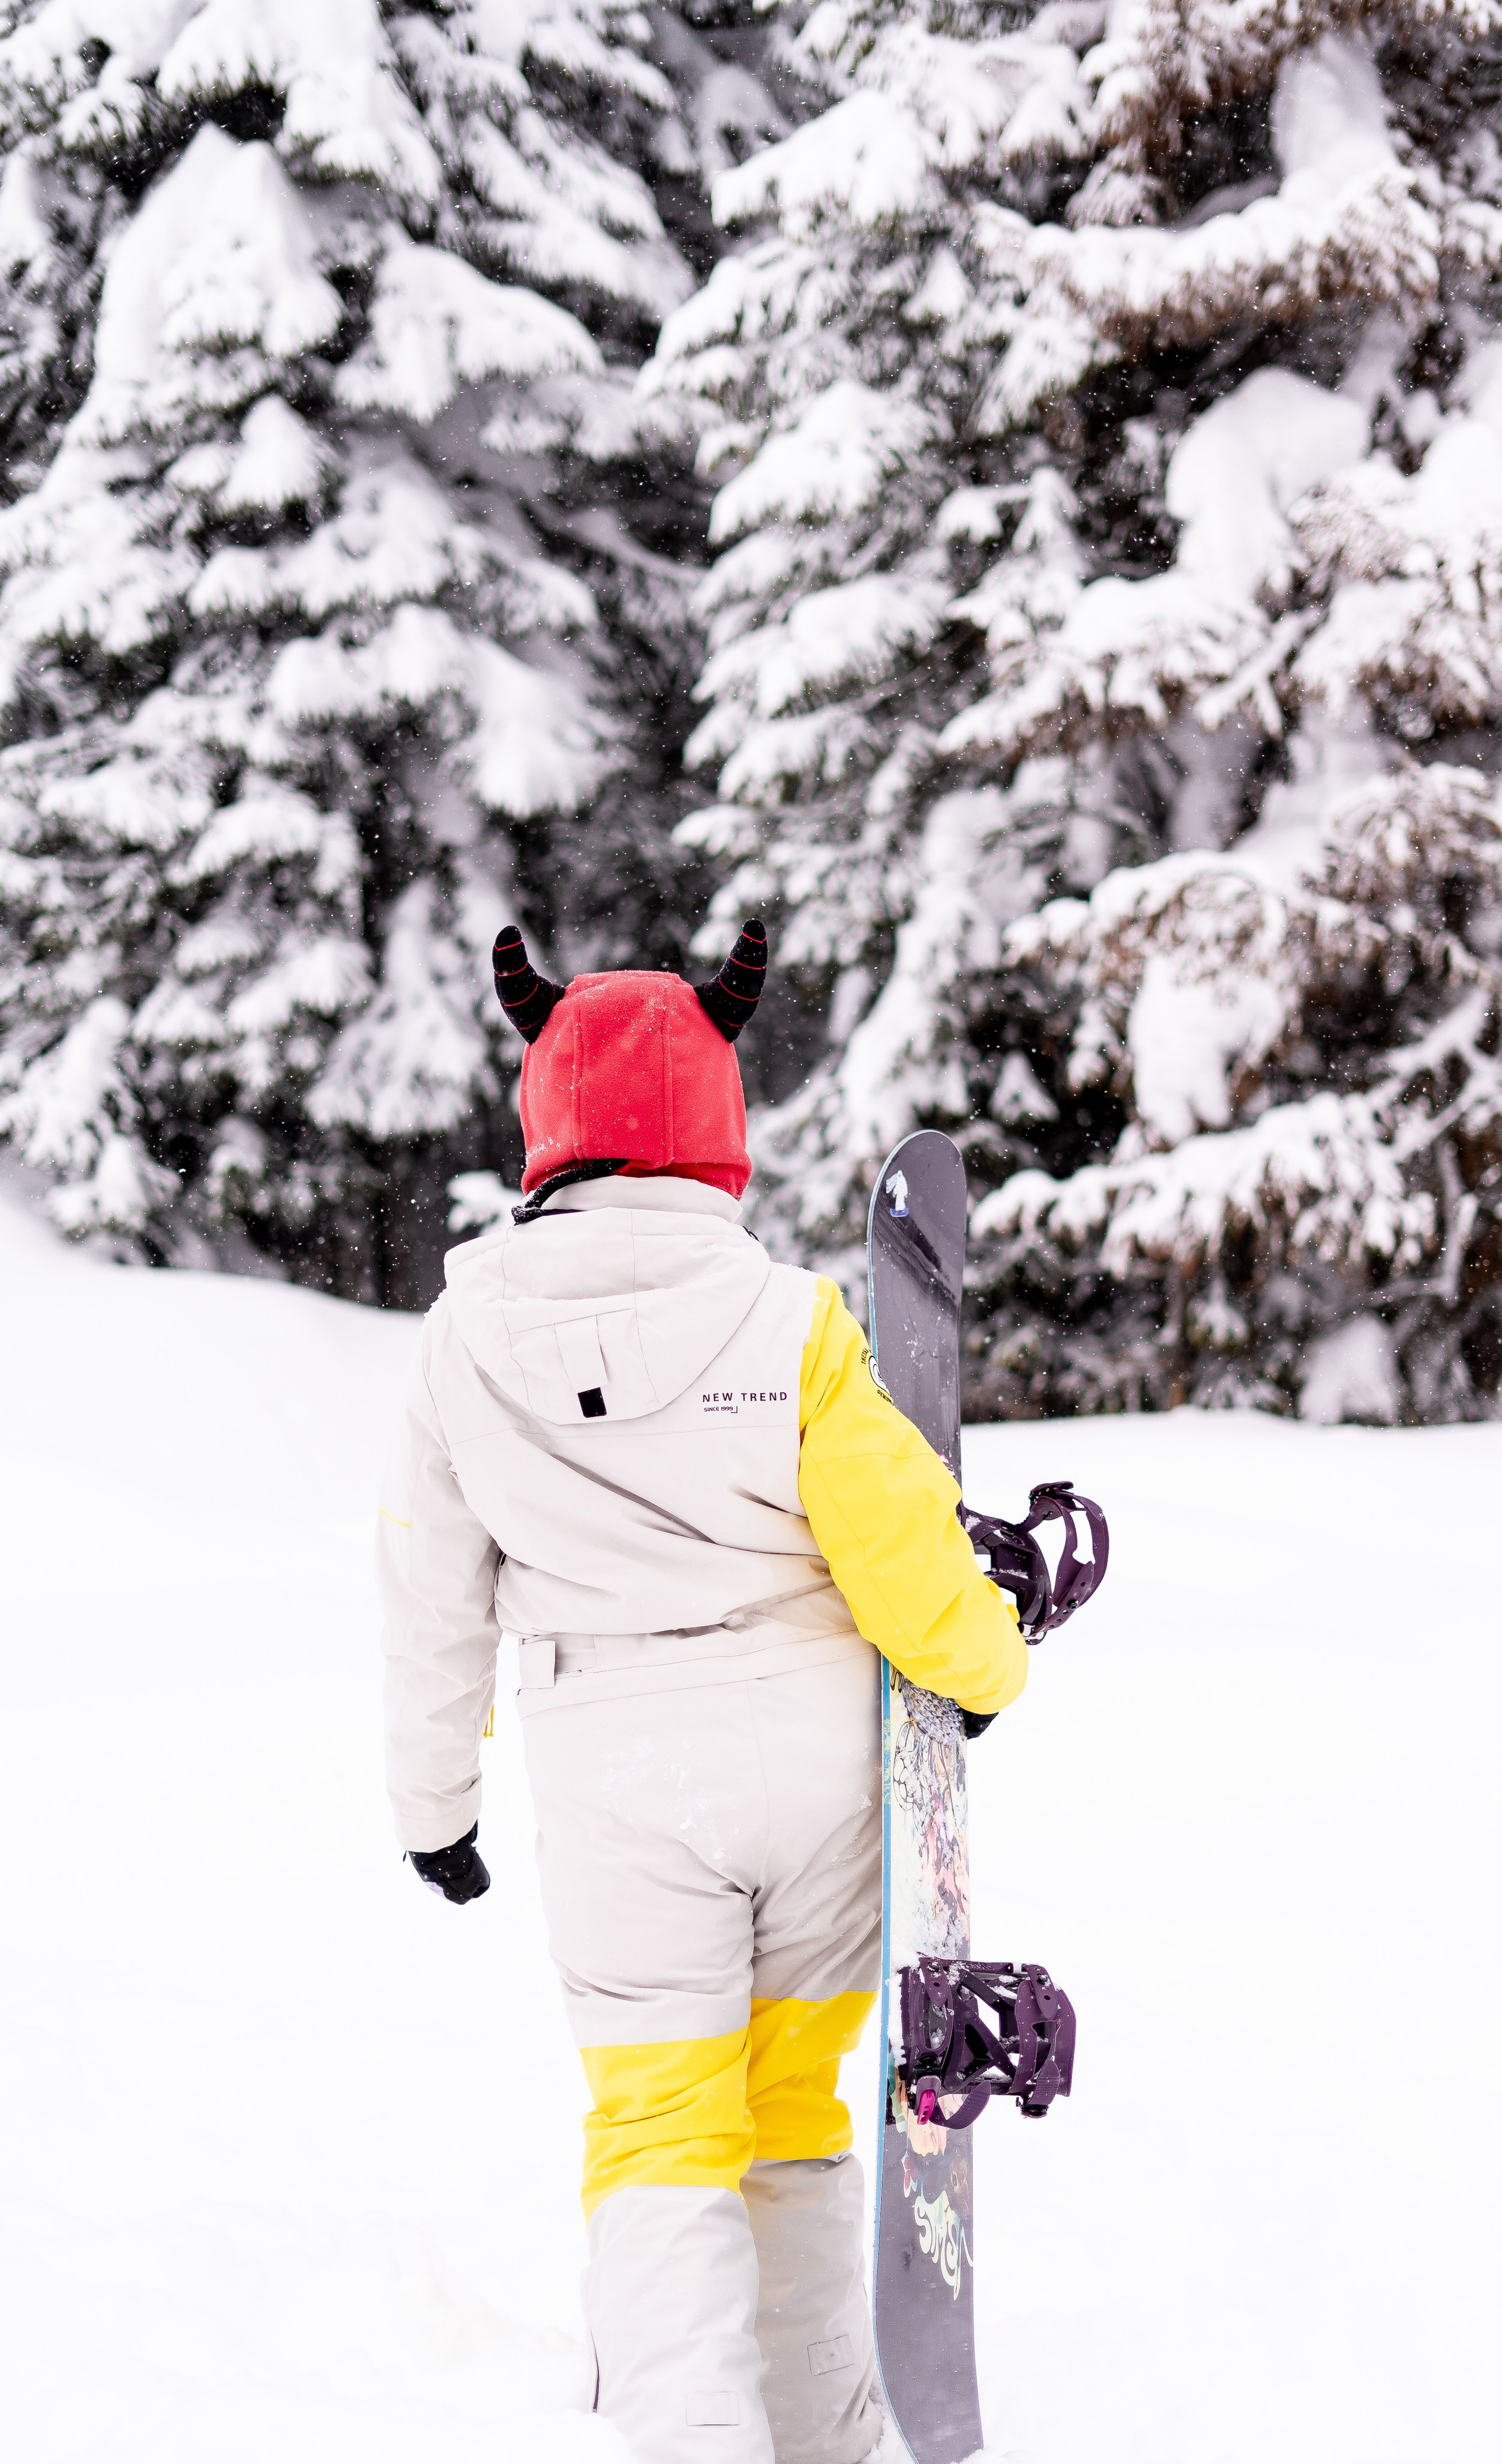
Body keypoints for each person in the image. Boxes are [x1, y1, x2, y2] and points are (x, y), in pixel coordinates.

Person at [377, 918, 1026, 2464]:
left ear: (547, 1130)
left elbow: (426, 1590)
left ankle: (683, 2439)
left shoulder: (460, 1343)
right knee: (791, 2119)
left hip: (615, 1787)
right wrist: (974, 1668)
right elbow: (892, 1533)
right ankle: (819, 2430)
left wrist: (433, 1806)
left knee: (662, 2130)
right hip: (812, 1769)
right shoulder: (788, 1321)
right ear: (713, 1134)